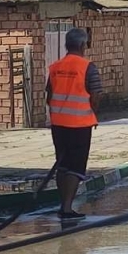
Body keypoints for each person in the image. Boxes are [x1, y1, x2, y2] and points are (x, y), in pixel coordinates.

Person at [46, 27, 102, 220]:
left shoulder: (55, 67)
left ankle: (64, 205)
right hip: (79, 125)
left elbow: (49, 96)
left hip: (58, 124)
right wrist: (93, 113)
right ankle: (67, 208)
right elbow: (95, 95)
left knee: (62, 164)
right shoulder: (87, 67)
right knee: (75, 167)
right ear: (82, 45)